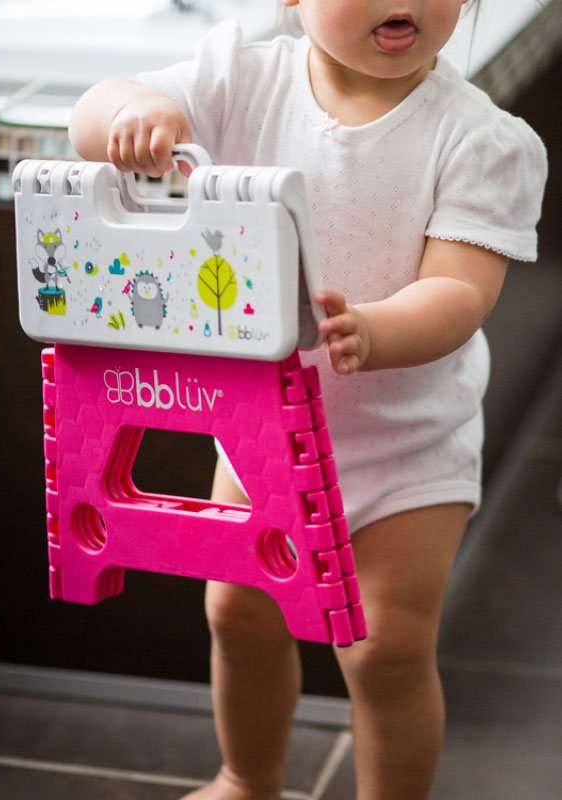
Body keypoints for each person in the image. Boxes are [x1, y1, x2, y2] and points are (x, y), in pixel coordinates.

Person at [68, 1, 547, 797]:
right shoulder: (238, 79)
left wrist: (380, 330)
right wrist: (131, 112)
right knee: (237, 618)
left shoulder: (479, 138)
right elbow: (90, 118)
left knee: (383, 649)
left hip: (408, 449)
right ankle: (245, 778)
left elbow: (461, 290)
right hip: (263, 437)